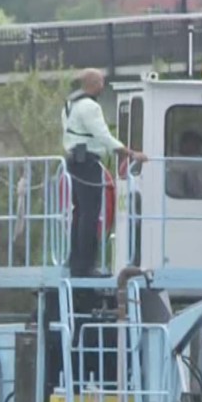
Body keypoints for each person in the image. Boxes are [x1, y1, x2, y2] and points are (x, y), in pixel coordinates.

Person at [61, 68, 146, 277]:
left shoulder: (69, 105)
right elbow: (103, 136)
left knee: (79, 212)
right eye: (101, 82)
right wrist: (130, 153)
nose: (103, 86)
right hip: (87, 163)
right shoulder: (90, 107)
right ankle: (86, 266)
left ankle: (76, 262)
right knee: (90, 213)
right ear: (93, 83)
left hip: (73, 162)